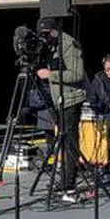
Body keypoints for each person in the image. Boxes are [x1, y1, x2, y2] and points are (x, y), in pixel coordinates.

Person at [36, 17, 86, 199]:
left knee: (69, 141)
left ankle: (69, 183)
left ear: (54, 31)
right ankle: (64, 179)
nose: (44, 38)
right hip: (59, 99)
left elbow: (77, 74)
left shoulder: (69, 44)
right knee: (62, 141)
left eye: (46, 34)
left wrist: (50, 74)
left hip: (71, 99)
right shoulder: (51, 45)